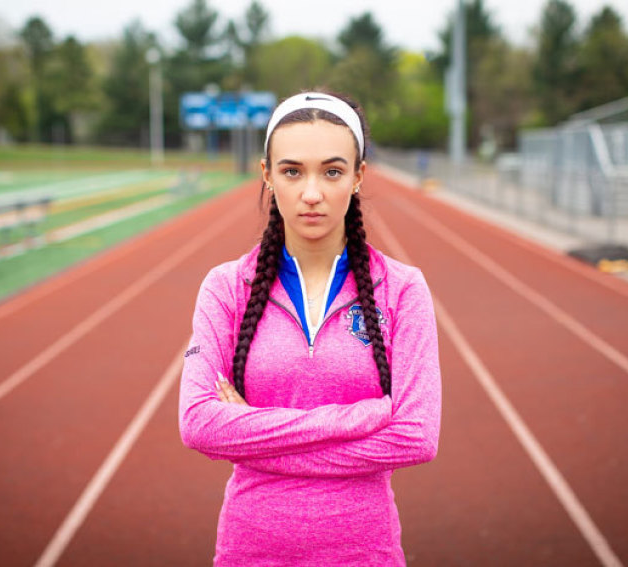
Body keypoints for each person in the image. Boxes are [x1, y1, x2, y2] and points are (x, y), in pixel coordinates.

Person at [178, 90, 442, 566]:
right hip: (249, 551)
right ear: (267, 174)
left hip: (365, 553)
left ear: (359, 177)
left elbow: (417, 437)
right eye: (292, 171)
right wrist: (363, 417)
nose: (312, 193)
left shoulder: (402, 290)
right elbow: (199, 424)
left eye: (333, 171)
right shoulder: (226, 288)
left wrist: (252, 440)